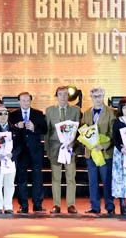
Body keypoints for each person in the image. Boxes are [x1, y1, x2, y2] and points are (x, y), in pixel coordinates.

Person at [45, 86, 82, 214]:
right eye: (60, 94)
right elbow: (47, 132)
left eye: (65, 94)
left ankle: (71, 205)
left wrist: (74, 144)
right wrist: (48, 150)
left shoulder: (76, 110)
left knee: (71, 177)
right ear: (56, 96)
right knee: (56, 178)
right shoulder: (49, 111)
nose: (63, 97)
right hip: (55, 149)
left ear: (68, 96)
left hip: (71, 148)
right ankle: (56, 205)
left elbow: (78, 131)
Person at [81, 87, 116, 215]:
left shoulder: (111, 112)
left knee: (107, 181)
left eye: (100, 96)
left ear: (104, 97)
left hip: (105, 153)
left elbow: (113, 134)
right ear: (91, 98)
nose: (97, 99)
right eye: (95, 96)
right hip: (90, 153)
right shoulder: (86, 113)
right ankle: (95, 206)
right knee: (93, 181)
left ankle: (110, 206)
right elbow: (83, 131)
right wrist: (87, 142)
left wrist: (103, 145)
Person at [11, 91, 48, 213]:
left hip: (35, 150)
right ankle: (23, 205)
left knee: (37, 178)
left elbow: (45, 129)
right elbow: (9, 129)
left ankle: (37, 204)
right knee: (21, 178)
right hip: (20, 151)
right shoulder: (13, 115)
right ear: (19, 102)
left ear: (30, 101)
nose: (25, 102)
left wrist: (34, 128)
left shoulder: (38, 114)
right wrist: (17, 125)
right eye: (23, 100)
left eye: (27, 100)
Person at [0, 102, 20, 215]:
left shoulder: (13, 129)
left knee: (9, 183)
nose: (3, 116)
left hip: (10, 161)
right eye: (0, 114)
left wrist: (13, 154)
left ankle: (8, 206)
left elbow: (19, 145)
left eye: (5, 113)